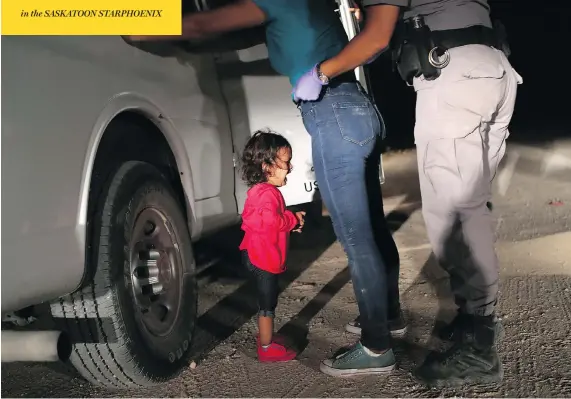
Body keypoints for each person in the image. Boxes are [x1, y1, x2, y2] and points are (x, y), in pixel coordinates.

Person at [129, 0, 405, 377]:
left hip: (333, 113)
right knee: (370, 227)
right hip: (354, 108)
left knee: (356, 236)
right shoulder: (305, 6)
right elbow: (226, 36)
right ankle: (388, 319)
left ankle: (376, 347)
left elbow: (202, 24)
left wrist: (130, 22)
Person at [294, 0, 522, 388]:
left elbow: (377, 35)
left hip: (454, 77)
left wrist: (321, 72)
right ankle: (473, 323)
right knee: (472, 209)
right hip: (493, 67)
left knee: (452, 218)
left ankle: (480, 348)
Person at [239, 130, 305, 362]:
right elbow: (271, 222)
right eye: (285, 162)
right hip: (263, 259)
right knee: (267, 305)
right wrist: (292, 219)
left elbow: (265, 220)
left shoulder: (260, 192)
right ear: (267, 166)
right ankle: (266, 348)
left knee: (266, 302)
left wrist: (289, 220)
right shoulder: (268, 194)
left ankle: (266, 338)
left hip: (254, 254)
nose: (290, 167)